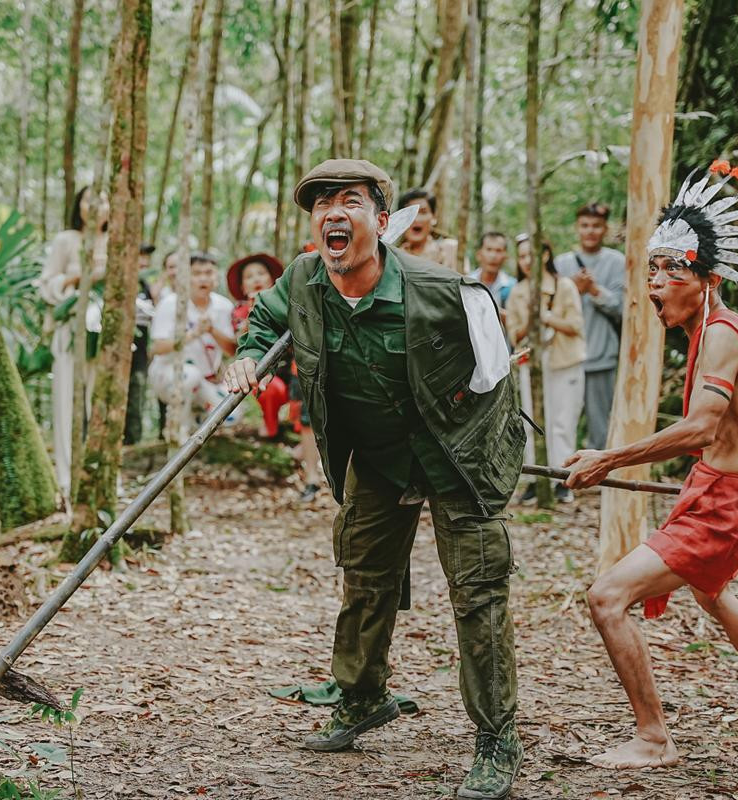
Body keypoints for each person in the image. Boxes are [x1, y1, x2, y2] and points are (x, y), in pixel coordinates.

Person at [224, 159, 526, 800]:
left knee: (477, 592)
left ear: (381, 223)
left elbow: (497, 378)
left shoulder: (442, 290)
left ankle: (497, 738)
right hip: (378, 460)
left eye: (351, 201)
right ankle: (362, 697)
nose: (334, 212)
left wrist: (485, 463)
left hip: (452, 459)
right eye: (322, 203)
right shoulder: (305, 278)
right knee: (363, 574)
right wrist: (250, 356)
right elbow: (264, 321)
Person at [563, 162, 738, 770]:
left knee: (607, 597)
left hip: (724, 505)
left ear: (706, 280)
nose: (655, 284)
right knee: (714, 598)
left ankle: (653, 737)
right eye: (653, 270)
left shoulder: (719, 334)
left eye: (670, 271)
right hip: (732, 496)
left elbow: (699, 428)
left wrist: (609, 457)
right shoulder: (726, 330)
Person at [505, 235, 586, 503]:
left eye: (532, 254)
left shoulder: (564, 286)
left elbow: (575, 325)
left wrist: (546, 314)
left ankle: (565, 479)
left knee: (562, 424)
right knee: (533, 425)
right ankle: (535, 480)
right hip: (533, 365)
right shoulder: (517, 291)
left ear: (546, 254)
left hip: (565, 362)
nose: (527, 261)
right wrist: (530, 317)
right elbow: (515, 335)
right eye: (522, 256)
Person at [38, 186, 107, 500]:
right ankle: (65, 478)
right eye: (89, 198)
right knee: (66, 400)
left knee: (101, 402)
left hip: (107, 333)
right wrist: (78, 279)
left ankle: (102, 473)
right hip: (71, 328)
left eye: (103, 198)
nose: (95, 205)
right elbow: (46, 284)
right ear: (78, 204)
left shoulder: (119, 240)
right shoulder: (67, 240)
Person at [555, 202, 625, 450]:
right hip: (565, 358)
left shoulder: (617, 262)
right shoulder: (561, 263)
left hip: (601, 355)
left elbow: (623, 308)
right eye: (585, 225)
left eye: (596, 226)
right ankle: (562, 477)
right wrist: (571, 289)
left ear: (605, 229)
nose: (590, 231)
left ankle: (598, 481)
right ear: (577, 228)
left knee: (601, 424)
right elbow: (550, 307)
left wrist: (594, 290)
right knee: (562, 422)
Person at [148, 252, 237, 426]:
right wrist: (192, 334)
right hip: (168, 375)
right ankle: (178, 433)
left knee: (233, 413)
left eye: (208, 273)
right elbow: (158, 347)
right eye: (196, 274)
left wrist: (211, 330)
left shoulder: (224, 306)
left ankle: (198, 421)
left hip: (207, 379)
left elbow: (231, 350)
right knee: (190, 377)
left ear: (216, 277)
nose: (203, 279)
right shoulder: (170, 303)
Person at [226, 253, 291, 439]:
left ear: (272, 278)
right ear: (242, 286)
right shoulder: (239, 312)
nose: (256, 279)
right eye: (249, 276)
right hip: (262, 372)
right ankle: (270, 428)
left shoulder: (287, 303)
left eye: (261, 273)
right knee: (270, 387)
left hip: (293, 368)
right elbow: (242, 342)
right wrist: (254, 311)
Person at [124, 244, 157, 445]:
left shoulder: (145, 286)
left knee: (137, 395)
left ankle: (133, 442)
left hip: (141, 353)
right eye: (140, 257)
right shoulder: (122, 283)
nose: (144, 262)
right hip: (119, 351)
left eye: (146, 258)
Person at [396, 187, 459, 271]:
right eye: (410, 213)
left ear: (434, 217)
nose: (416, 219)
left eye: (423, 212)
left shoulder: (449, 250)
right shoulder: (393, 258)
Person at [467, 231, 517, 313]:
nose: (493, 256)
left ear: (505, 257)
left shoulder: (512, 286)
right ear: (479, 254)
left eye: (498, 251)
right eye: (489, 250)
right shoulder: (467, 283)